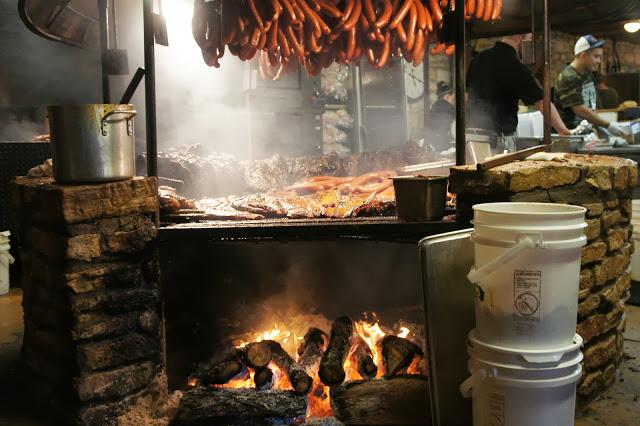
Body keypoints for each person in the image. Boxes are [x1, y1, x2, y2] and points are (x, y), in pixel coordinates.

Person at [467, 34, 571, 152]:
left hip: (471, 135)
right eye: (528, 40)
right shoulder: (514, 64)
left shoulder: (478, 59)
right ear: (518, 38)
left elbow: (466, 95)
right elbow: (542, 102)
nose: (529, 46)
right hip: (498, 140)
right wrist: (562, 130)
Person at [554, 35, 626, 136]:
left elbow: (590, 106)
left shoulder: (588, 74)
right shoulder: (569, 77)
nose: (599, 61)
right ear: (583, 55)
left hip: (586, 134)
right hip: (570, 136)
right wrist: (607, 125)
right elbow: (580, 110)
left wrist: (598, 126)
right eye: (596, 56)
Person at [430, 81, 455, 151]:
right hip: (445, 143)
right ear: (447, 96)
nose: (453, 101)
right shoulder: (450, 107)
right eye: (452, 98)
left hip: (433, 142)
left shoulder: (433, 106)